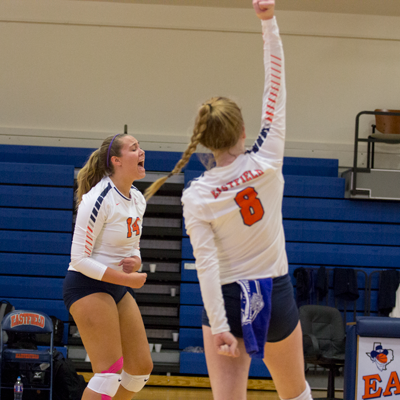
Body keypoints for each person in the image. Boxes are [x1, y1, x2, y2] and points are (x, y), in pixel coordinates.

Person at [144, 2, 312, 399]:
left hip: (226, 296)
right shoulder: (268, 159)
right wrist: (267, 21)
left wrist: (219, 324)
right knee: (296, 392)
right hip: (273, 288)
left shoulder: (196, 194)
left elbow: (206, 265)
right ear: (242, 131)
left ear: (203, 140)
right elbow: (276, 84)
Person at [63, 133, 152, 400]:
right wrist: (127, 280)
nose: (141, 152)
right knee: (109, 372)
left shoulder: (137, 198)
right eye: (134, 148)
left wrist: (136, 260)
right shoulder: (97, 199)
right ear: (116, 160)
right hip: (86, 286)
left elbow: (132, 246)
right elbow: (79, 259)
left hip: (116, 286)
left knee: (139, 370)